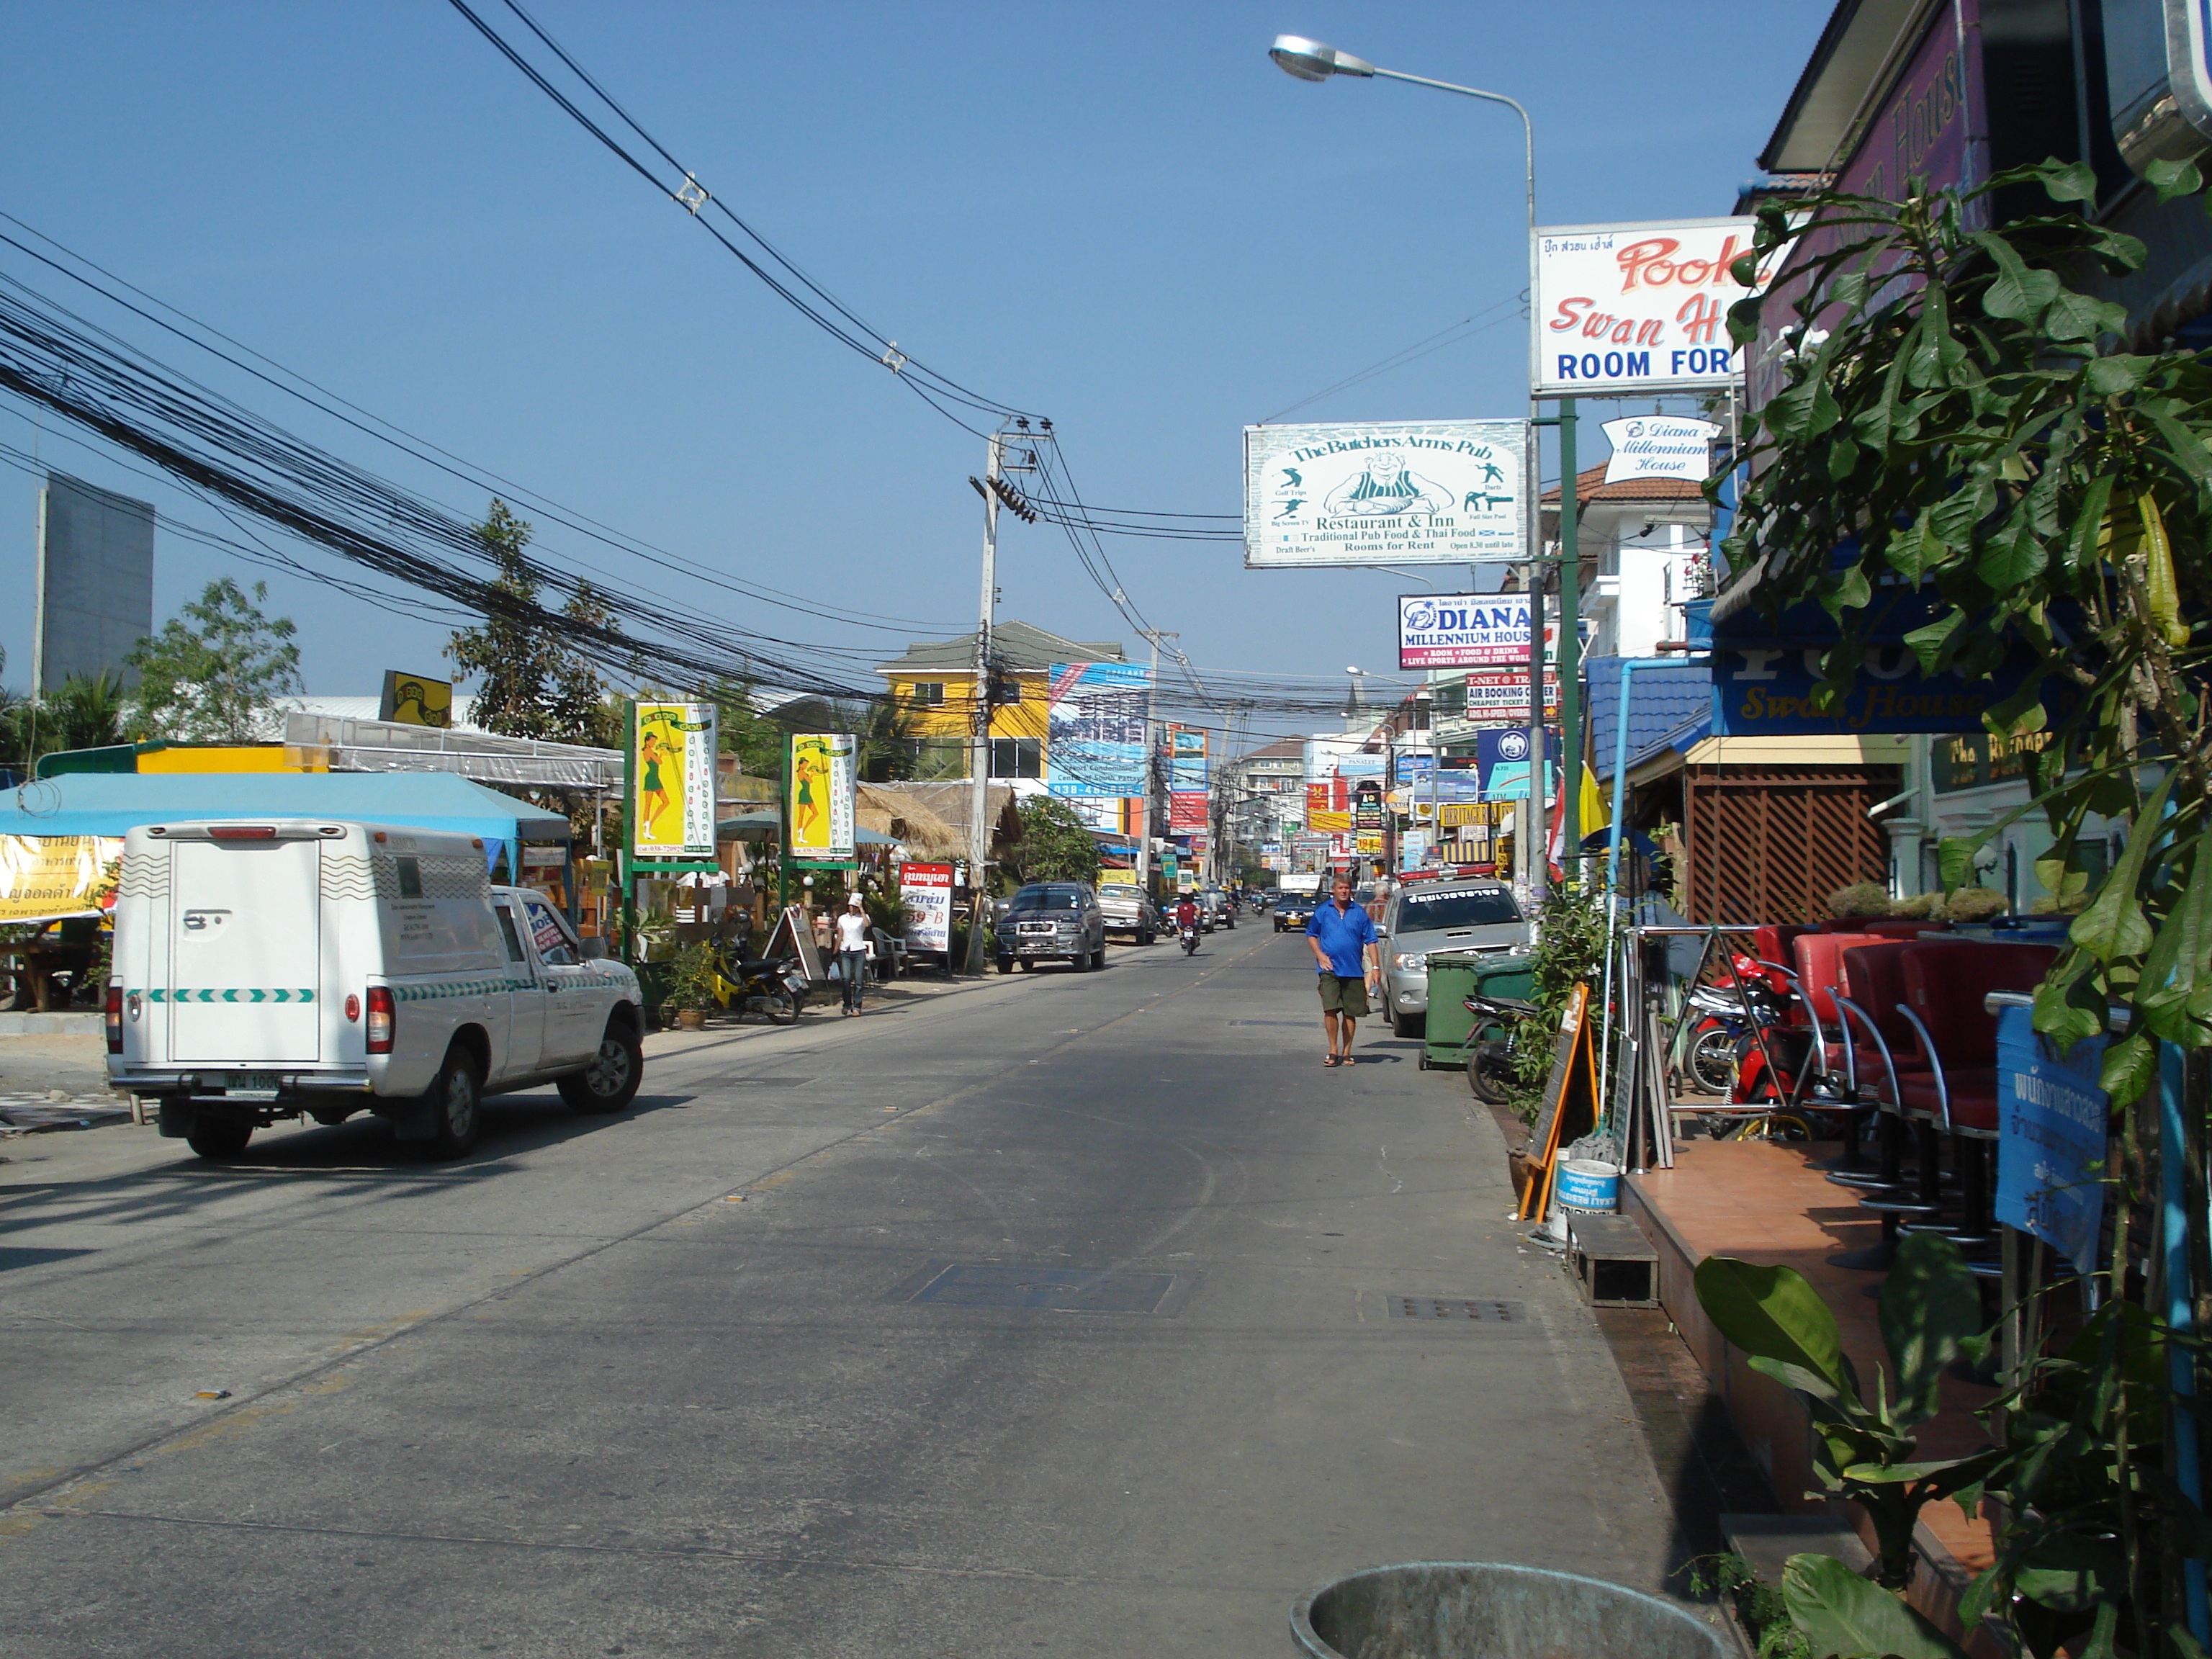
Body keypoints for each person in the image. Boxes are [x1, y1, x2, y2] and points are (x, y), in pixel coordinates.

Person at [1305, 873, 1379, 1068]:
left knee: (1350, 1012)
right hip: (1329, 969)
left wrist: (1376, 967)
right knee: (1330, 1008)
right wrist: (1320, 956)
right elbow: (1311, 934)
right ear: (1334, 890)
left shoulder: (1359, 913)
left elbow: (1371, 941)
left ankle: (1347, 1052)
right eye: (1341, 888)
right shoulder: (1324, 911)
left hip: (1353, 970)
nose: (1344, 891)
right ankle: (1333, 1050)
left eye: (1347, 888)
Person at [835, 895, 871, 1016]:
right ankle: (847, 1004)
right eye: (851, 906)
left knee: (859, 980)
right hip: (845, 950)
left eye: (855, 907)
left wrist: (861, 909)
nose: (852, 909)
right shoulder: (842, 919)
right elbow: (840, 935)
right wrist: (835, 952)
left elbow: (867, 925)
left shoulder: (862, 918)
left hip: (858, 950)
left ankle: (857, 1006)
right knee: (846, 978)